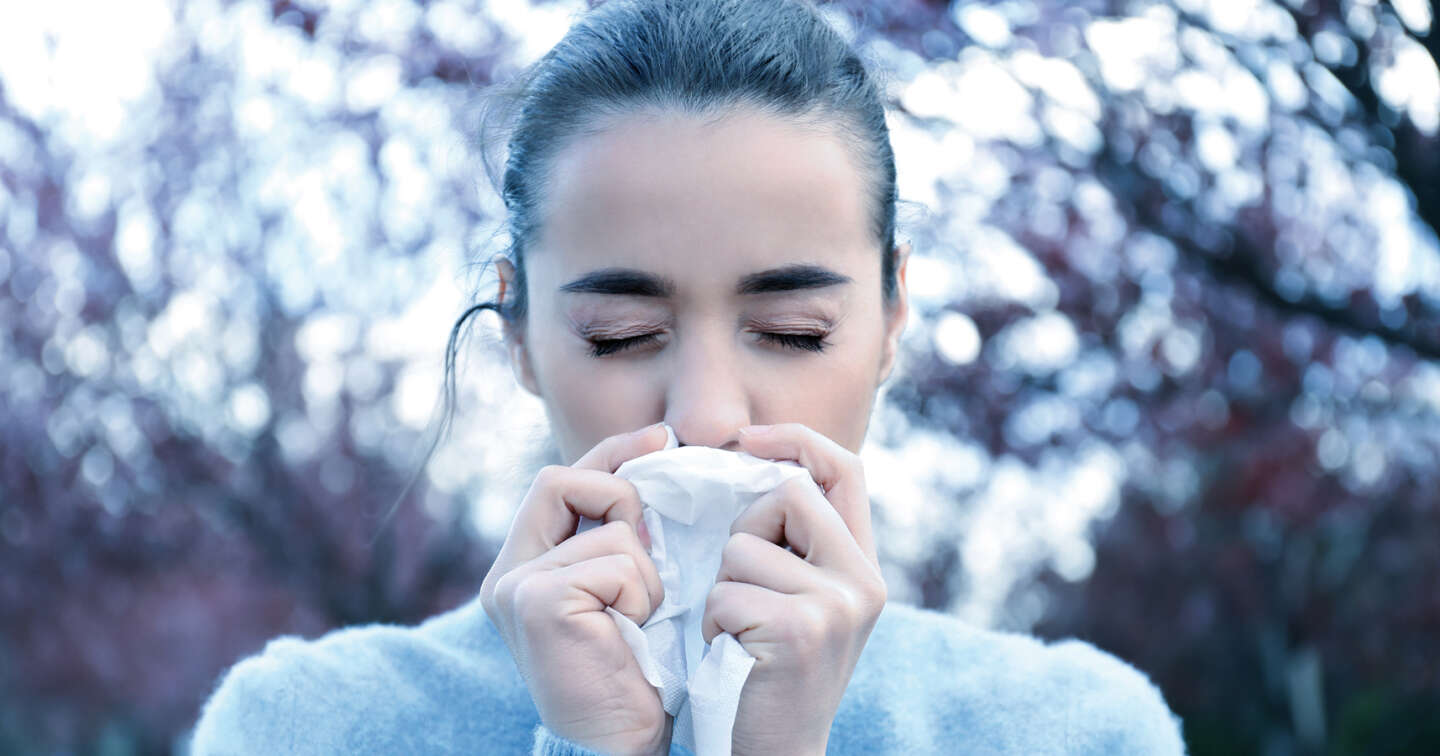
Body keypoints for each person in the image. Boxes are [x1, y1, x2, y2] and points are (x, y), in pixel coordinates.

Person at [191, 0, 1186, 753]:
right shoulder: (304, 728)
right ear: (520, 336)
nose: (706, 417)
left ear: (891, 319)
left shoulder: (1074, 731)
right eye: (621, 335)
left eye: (793, 331)